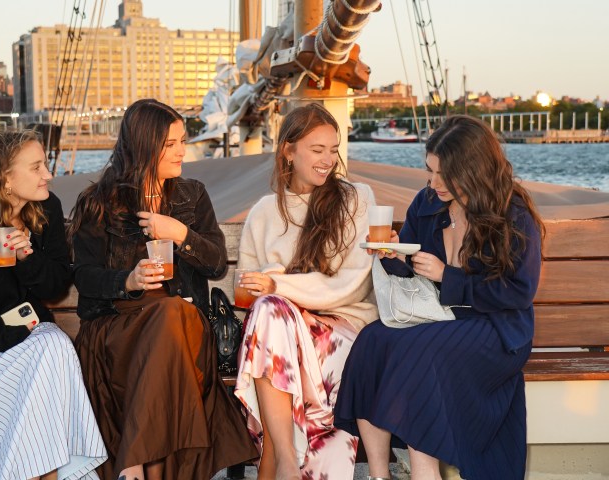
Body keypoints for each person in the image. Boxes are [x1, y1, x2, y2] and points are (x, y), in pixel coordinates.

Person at [334, 114, 545, 480]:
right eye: (430, 170)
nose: (434, 182)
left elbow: (519, 291)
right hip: (435, 317)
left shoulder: (512, 213)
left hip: (495, 329)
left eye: (444, 174)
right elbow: (415, 274)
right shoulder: (427, 203)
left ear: (473, 169)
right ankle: (379, 474)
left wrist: (450, 276)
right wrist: (395, 259)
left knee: (419, 353)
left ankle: (424, 472)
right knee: (371, 341)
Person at [68, 98, 257, 480]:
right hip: (117, 330)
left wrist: (180, 233)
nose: (181, 151)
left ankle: (134, 465)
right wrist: (128, 281)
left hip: (184, 326)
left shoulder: (192, 195)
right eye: (170, 144)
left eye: (182, 141)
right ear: (143, 145)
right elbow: (84, 277)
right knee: (169, 324)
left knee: (173, 314)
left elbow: (217, 263)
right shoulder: (98, 203)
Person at [0, 130, 107, 480]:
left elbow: (56, 285)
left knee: (52, 347)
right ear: (5, 178)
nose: (48, 175)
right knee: (50, 353)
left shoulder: (48, 208)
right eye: (37, 167)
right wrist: (7, 339)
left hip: (28, 339)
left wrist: (27, 256)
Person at [233, 103, 378, 480]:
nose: (328, 159)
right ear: (288, 150)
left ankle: (278, 460)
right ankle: (284, 459)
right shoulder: (264, 212)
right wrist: (264, 287)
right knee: (270, 311)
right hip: (278, 336)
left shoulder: (355, 199)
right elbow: (246, 295)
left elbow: (351, 284)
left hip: (342, 330)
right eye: (318, 150)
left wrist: (277, 283)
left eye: (334, 149)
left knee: (272, 309)